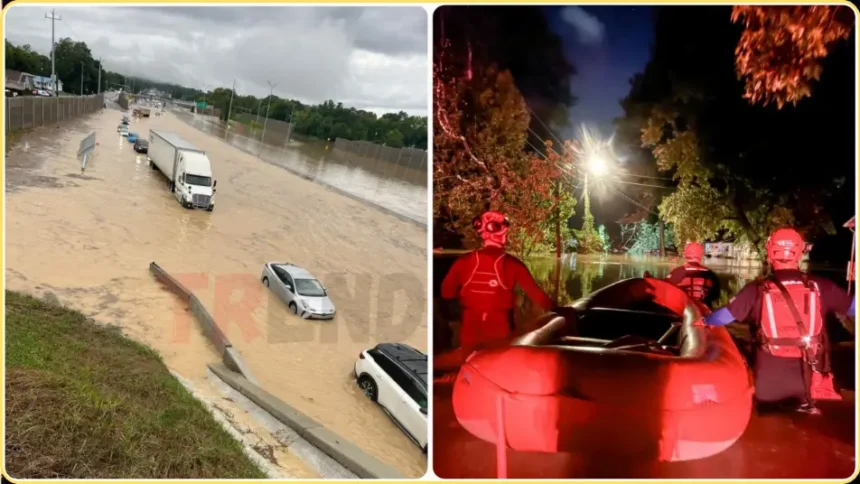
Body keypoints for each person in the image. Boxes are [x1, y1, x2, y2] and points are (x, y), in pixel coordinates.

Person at [705, 228, 855, 414]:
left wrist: (704, 320)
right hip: (808, 389)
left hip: (768, 392)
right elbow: (853, 308)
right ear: (799, 252)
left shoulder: (756, 288)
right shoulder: (820, 285)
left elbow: (724, 317)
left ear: (770, 252)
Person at [440, 210, 554, 349]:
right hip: (499, 330)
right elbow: (538, 296)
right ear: (503, 233)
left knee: (469, 356)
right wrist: (558, 310)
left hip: (470, 328)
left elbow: (446, 292)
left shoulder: (463, 261)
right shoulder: (512, 264)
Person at [667, 242, 721, 308]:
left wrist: (671, 273)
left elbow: (666, 291)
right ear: (701, 255)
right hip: (704, 309)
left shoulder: (677, 272)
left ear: (685, 254)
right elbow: (715, 295)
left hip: (683, 309)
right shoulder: (711, 275)